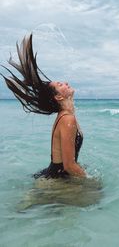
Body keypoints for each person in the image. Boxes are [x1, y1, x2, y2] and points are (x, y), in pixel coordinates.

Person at [1, 34, 87, 179]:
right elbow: (69, 166)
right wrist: (89, 179)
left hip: (56, 175)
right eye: (61, 85)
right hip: (56, 181)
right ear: (59, 97)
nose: (66, 82)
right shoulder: (67, 119)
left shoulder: (66, 115)